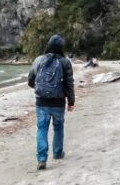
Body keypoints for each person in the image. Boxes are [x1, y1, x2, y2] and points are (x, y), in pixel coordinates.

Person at [28, 35, 75, 170]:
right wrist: (71, 101)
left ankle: (42, 159)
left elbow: (31, 80)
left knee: (42, 129)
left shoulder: (38, 60)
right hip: (58, 102)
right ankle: (57, 152)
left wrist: (41, 89)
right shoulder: (65, 62)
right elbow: (69, 84)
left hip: (41, 102)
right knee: (58, 127)